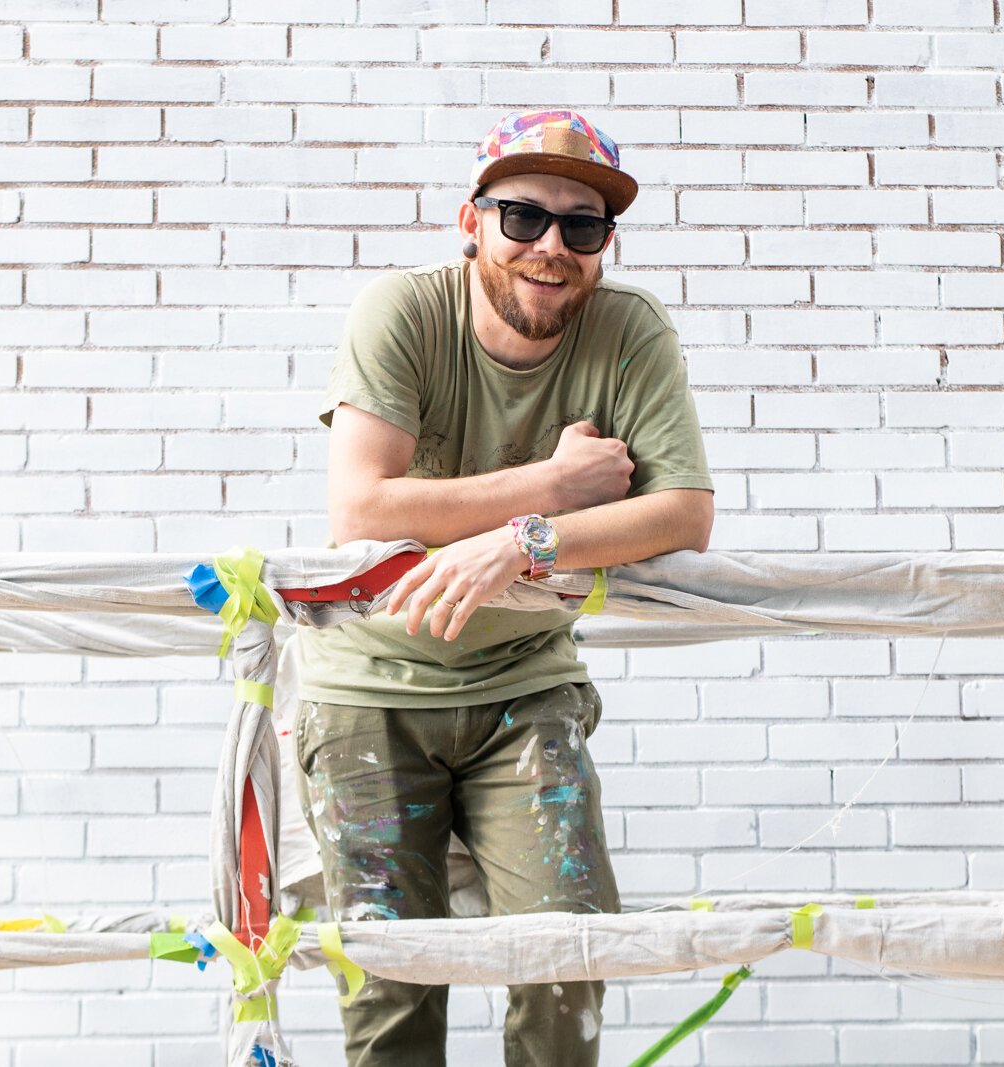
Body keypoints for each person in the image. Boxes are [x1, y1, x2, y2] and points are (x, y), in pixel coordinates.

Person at [295, 108, 715, 1067]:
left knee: (567, 963)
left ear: (605, 245)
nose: (551, 246)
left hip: (523, 692)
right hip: (368, 696)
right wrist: (555, 491)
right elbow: (360, 511)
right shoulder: (402, 311)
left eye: (583, 225)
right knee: (390, 998)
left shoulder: (628, 329)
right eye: (522, 217)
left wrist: (520, 543)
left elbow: (683, 511)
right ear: (471, 221)